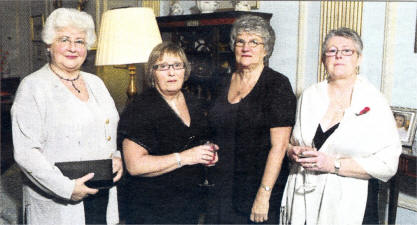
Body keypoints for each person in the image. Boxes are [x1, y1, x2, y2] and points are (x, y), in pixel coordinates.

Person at [11, 8, 123, 225]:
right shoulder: (33, 86)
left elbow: (107, 132)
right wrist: (68, 189)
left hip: (101, 193)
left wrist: (116, 158)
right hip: (59, 201)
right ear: (49, 45)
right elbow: (26, 153)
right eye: (64, 39)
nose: (73, 47)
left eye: (80, 41)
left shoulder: (96, 83)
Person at [280, 27, 402, 225]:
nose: (338, 56)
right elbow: (291, 142)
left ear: (359, 59)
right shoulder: (309, 95)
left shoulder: (374, 101)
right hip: (303, 196)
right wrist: (292, 151)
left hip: (350, 202)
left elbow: (387, 164)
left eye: (347, 51)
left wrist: (333, 164)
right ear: (323, 59)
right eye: (331, 51)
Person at [206, 15, 297, 224]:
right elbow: (215, 128)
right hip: (221, 186)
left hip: (257, 188)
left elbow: (280, 146)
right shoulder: (221, 82)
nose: (246, 47)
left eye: (254, 42)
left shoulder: (277, 85)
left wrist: (263, 195)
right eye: (240, 41)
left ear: (266, 49)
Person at [117, 42, 219, 224]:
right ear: (152, 72)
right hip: (151, 210)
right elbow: (135, 165)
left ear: (185, 70)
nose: (172, 72)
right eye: (163, 67)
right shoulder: (140, 108)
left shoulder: (194, 102)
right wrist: (185, 157)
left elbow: (199, 141)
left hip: (188, 206)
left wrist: (208, 154)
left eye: (177, 65)